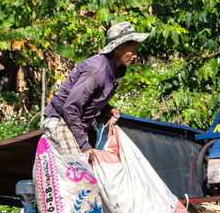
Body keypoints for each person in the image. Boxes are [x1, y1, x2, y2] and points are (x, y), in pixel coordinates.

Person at [43, 21, 148, 157]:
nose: (135, 56)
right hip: (60, 121)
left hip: (76, 124)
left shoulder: (113, 71)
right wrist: (83, 145)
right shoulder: (96, 70)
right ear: (117, 48)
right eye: (132, 51)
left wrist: (107, 109)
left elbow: (91, 98)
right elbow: (70, 107)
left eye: (136, 51)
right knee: (81, 169)